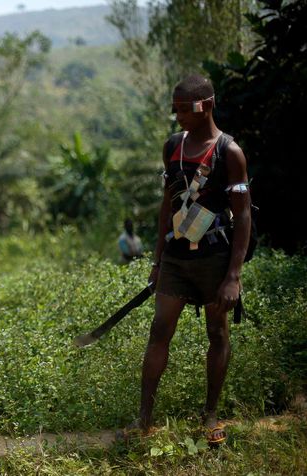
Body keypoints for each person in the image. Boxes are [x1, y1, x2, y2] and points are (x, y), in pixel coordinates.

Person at [128, 74, 251, 445]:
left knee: (217, 332)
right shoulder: (173, 147)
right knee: (159, 330)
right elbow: (168, 203)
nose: (179, 116)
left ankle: (210, 416)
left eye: (187, 109)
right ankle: (144, 419)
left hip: (215, 258)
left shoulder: (229, 152)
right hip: (177, 259)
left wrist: (233, 276)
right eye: (175, 109)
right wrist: (157, 260)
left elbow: (243, 215)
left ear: (207, 106)